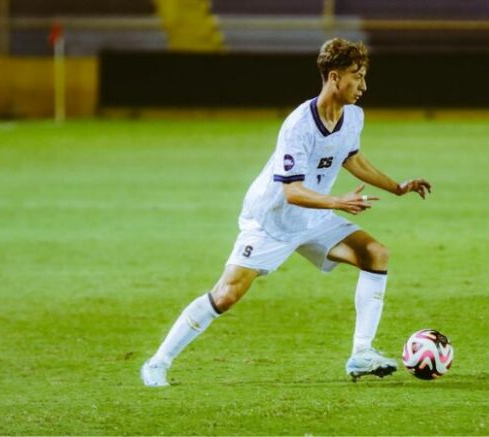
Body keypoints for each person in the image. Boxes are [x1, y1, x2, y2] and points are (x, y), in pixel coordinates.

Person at [141, 38, 431, 387]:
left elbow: (352, 158)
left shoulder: (353, 116)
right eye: (357, 76)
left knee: (376, 254)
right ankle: (158, 362)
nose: (364, 86)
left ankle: (361, 353)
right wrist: (337, 202)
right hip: (272, 220)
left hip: (314, 217)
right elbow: (291, 191)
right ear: (334, 77)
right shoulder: (298, 126)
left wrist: (397, 187)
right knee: (226, 294)